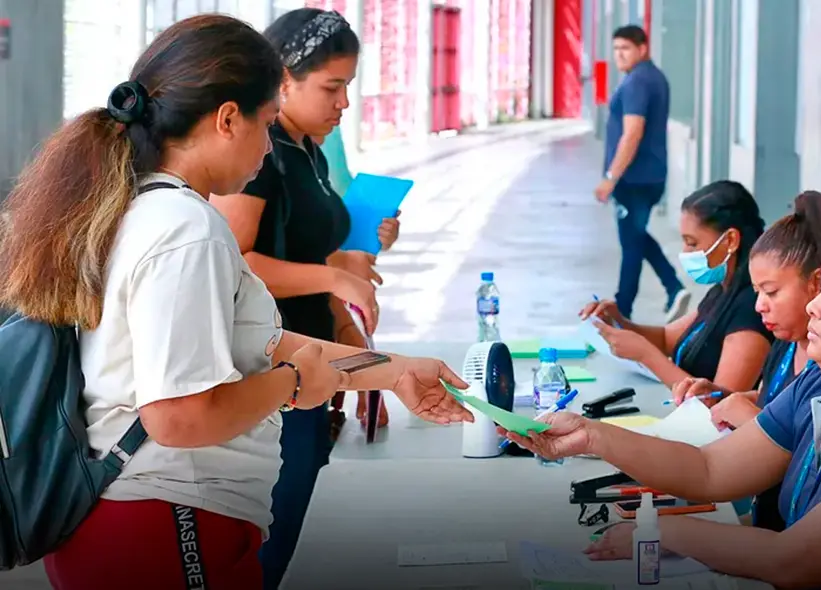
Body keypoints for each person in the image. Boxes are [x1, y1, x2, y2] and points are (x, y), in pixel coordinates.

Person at [0, 14, 472, 589]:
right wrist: (292, 384)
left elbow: (266, 345)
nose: (269, 144)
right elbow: (178, 416)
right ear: (227, 119)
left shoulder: (147, 209)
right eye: (268, 121)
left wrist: (396, 371)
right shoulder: (184, 230)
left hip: (153, 523)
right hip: (165, 525)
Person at [506, 229, 821, 589]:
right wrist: (592, 435)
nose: (813, 307)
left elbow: (794, 561)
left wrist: (663, 530)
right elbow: (710, 469)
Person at [206, 9, 397, 589]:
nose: (344, 103)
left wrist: (357, 354)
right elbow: (234, 264)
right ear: (284, 80)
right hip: (270, 368)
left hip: (311, 360)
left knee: (293, 522)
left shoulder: (306, 150)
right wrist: (334, 278)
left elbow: (312, 255)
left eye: (348, 87)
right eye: (332, 87)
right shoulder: (261, 158)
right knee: (271, 532)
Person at [672, 190, 821, 532]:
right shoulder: (785, 345)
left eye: (771, 292)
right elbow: (777, 400)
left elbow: (815, 459)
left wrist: (751, 417)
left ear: (816, 284)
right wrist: (721, 396)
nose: (759, 306)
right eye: (757, 292)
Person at [581, 180, 773, 394]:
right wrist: (618, 322)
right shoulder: (722, 291)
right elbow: (667, 338)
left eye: (692, 243)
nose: (685, 252)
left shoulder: (750, 311)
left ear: (730, 240)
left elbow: (721, 403)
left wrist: (646, 355)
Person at [593, 24, 689, 322]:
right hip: (650, 176)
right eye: (616, 49)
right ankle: (672, 287)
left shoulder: (637, 82)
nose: (619, 55)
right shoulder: (655, 77)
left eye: (626, 48)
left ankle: (623, 311)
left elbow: (632, 133)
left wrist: (611, 177)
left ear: (642, 48)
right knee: (635, 237)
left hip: (633, 179)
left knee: (632, 244)